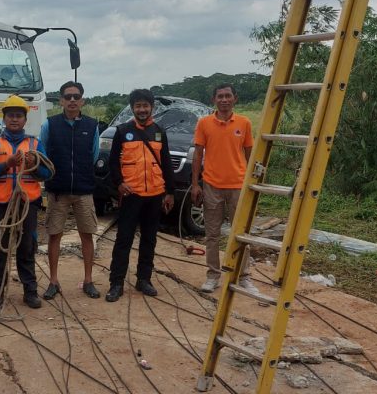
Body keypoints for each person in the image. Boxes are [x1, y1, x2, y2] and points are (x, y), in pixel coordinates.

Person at [0, 94, 53, 310]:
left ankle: (30, 292)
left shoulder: (34, 143)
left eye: (18, 116)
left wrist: (32, 165)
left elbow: (46, 173)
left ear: (25, 120)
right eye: (11, 115)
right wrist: (7, 163)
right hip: (0, 205)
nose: (14, 119)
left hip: (27, 204)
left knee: (26, 247)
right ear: (4, 118)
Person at [105, 89, 175, 302]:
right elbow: (113, 163)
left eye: (145, 105)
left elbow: (166, 163)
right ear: (132, 108)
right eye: (138, 106)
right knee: (123, 240)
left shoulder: (159, 132)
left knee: (149, 239)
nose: (142, 109)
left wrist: (170, 192)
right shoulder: (122, 131)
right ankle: (116, 283)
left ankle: (144, 280)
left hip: (155, 195)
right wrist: (119, 183)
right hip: (131, 194)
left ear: (151, 107)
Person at [191, 83, 260, 294]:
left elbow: (250, 153)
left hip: (238, 186)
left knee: (241, 234)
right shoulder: (204, 123)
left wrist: (252, 182)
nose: (224, 100)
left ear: (234, 98)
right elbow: (198, 154)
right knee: (212, 234)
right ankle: (213, 276)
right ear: (214, 100)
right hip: (212, 186)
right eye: (220, 96)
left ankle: (243, 276)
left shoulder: (244, 123)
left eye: (227, 96)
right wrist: (195, 184)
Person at [40, 81, 101, 300]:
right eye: (68, 97)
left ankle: (88, 280)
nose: (72, 100)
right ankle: (53, 281)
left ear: (82, 100)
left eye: (76, 96)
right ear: (61, 101)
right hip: (58, 191)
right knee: (54, 235)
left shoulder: (92, 126)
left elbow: (94, 154)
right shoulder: (50, 125)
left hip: (84, 190)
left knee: (87, 235)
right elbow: (43, 155)